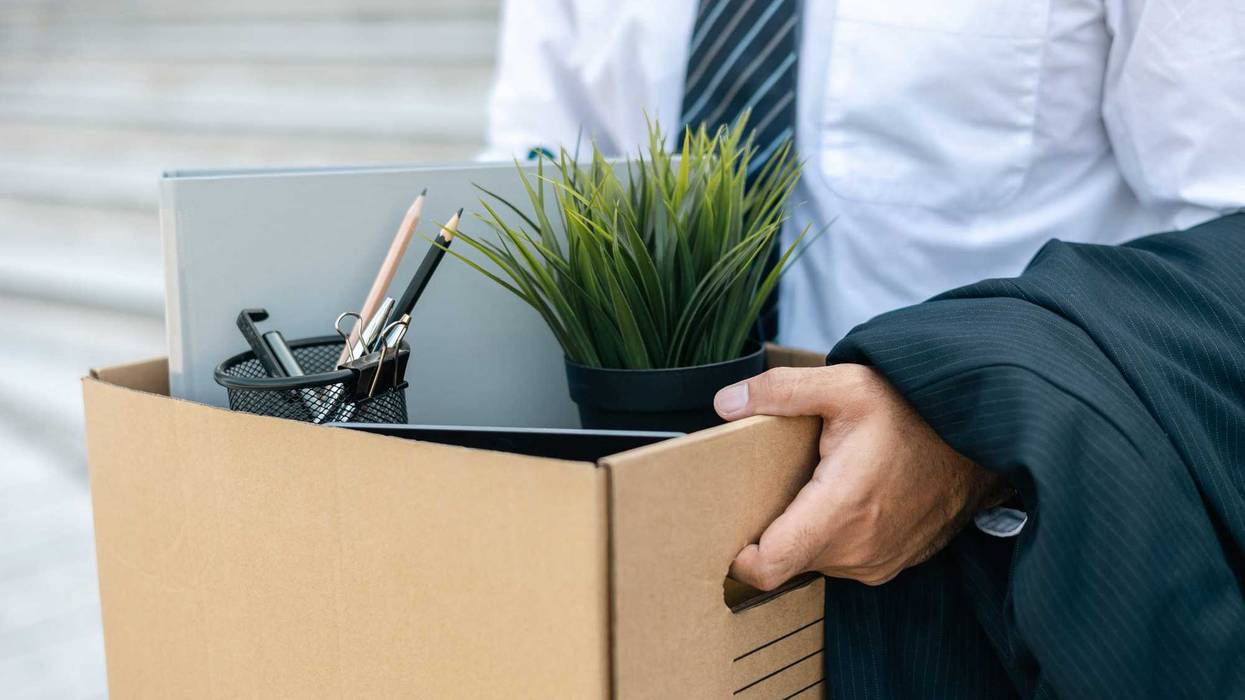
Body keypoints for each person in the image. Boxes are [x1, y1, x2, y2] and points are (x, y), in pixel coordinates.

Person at [485, 1, 1245, 695]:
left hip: (973, 590)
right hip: (645, 547)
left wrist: (965, 432)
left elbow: (1226, 253)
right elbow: (534, 175)